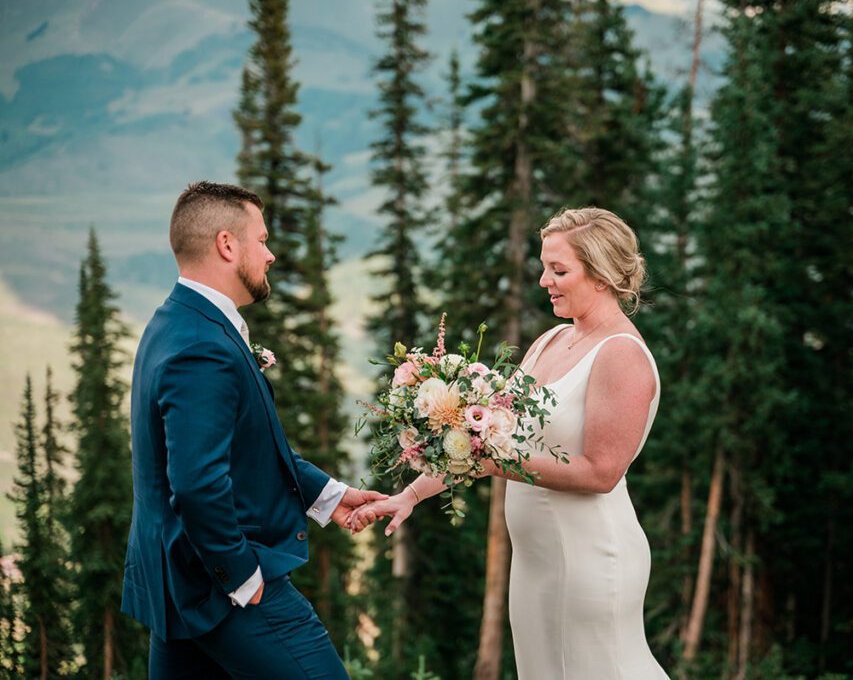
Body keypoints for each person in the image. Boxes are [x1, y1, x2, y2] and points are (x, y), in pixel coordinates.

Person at [351, 207, 668, 679]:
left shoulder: (621, 355)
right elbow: (488, 439)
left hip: (589, 558)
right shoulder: (553, 340)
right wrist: (410, 495)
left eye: (559, 270)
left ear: (601, 276)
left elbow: (601, 473)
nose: (544, 281)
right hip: (535, 562)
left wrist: (497, 461)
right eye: (544, 267)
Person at [121, 181, 386, 680]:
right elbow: (197, 484)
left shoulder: (174, 321)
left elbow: (248, 449)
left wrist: (331, 496)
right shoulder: (203, 346)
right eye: (261, 240)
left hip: (177, 583)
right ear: (227, 244)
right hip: (220, 586)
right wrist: (239, 575)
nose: (271, 254)